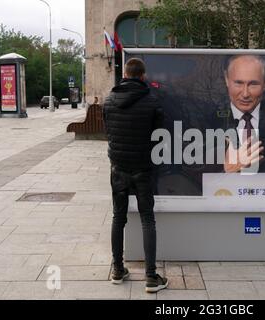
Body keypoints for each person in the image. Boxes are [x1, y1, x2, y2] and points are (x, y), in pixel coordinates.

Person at [103, 58, 168, 293]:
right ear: (142, 76)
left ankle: (118, 270)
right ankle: (151, 277)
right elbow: (160, 133)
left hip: (118, 167)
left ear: (125, 74)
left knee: (118, 218)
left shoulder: (109, 100)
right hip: (142, 168)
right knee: (147, 219)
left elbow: (108, 131)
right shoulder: (151, 102)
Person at [217, 55, 265, 173]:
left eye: (253, 84)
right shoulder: (208, 122)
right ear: (227, 80)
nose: (245, 94)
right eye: (238, 83)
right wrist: (226, 172)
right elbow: (194, 184)